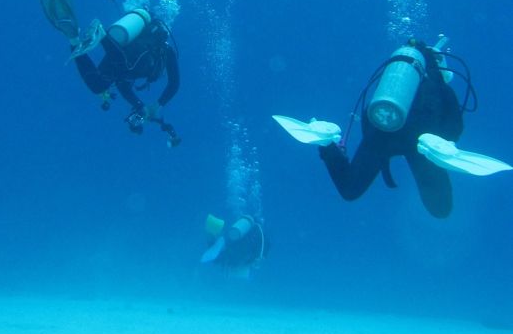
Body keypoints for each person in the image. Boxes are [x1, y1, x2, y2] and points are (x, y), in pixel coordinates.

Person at [275, 37, 484, 219]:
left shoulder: (391, 81)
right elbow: (456, 126)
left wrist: (374, 146)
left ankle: (326, 140)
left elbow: (369, 111)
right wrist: (444, 143)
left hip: (383, 131)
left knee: (350, 190)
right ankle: (431, 146)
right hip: (423, 140)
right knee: (441, 209)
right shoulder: (439, 86)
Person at [40, 0, 181, 145]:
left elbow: (123, 84)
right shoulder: (165, 50)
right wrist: (158, 105)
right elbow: (174, 83)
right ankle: (102, 35)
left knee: (98, 85)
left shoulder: (151, 48)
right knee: (127, 67)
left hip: (117, 53)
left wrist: (139, 105)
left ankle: (74, 39)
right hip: (121, 57)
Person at [200, 213, 267, 278]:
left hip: (232, 248)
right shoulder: (258, 234)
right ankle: (215, 239)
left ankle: (215, 238)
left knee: (220, 255)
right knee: (220, 257)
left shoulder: (251, 231)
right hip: (237, 255)